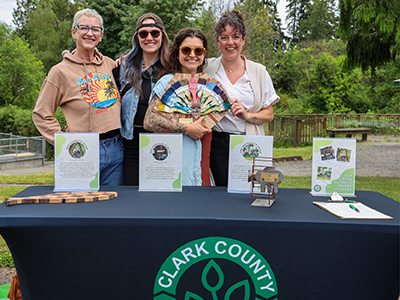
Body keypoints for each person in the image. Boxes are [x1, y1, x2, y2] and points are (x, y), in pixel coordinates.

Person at [32, 8, 123, 186]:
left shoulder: (111, 65)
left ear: (101, 35)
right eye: (84, 28)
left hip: (116, 149)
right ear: (74, 32)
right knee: (81, 208)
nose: (90, 33)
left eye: (95, 29)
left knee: (112, 207)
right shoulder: (59, 72)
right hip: (81, 150)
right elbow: (41, 115)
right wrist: (65, 144)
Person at [204, 10, 280, 186]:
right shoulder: (207, 68)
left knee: (249, 191)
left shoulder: (259, 71)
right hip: (216, 143)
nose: (230, 43)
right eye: (224, 37)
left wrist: (247, 115)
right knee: (219, 194)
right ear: (217, 42)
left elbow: (269, 114)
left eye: (236, 37)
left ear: (243, 40)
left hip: (249, 141)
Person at [143, 28, 211, 186]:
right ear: (177, 53)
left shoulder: (207, 85)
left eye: (198, 50)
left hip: (199, 167)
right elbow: (149, 120)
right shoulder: (167, 82)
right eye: (186, 50)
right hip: (171, 168)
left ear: (204, 54)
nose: (192, 55)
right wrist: (186, 128)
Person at [112, 13, 169, 185]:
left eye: (155, 33)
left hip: (163, 143)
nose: (149, 38)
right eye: (143, 33)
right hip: (130, 144)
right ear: (137, 37)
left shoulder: (172, 68)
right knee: (131, 199)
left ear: (162, 36)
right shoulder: (123, 67)